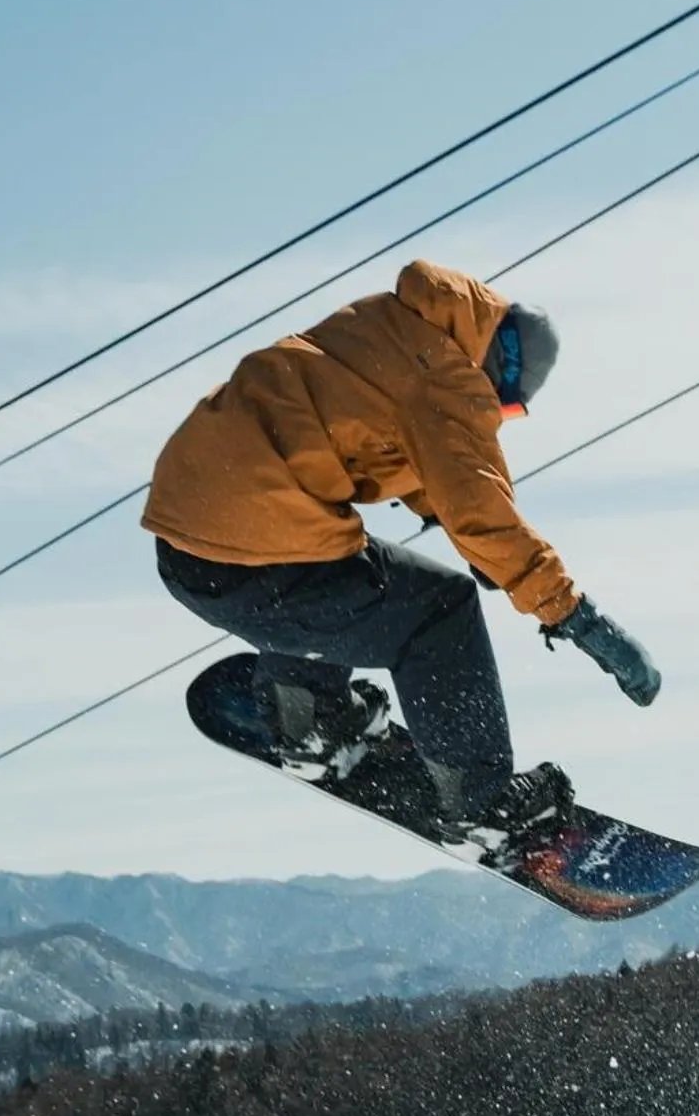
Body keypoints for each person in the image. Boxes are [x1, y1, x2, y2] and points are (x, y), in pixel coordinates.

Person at [144, 259, 659, 849]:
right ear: (503, 371)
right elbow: (480, 507)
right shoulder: (450, 382)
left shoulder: (394, 324)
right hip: (252, 561)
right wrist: (576, 617)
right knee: (440, 612)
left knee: (349, 571)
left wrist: (444, 517)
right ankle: (481, 806)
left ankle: (305, 713)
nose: (499, 419)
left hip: (188, 547)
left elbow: (381, 440)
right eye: (509, 408)